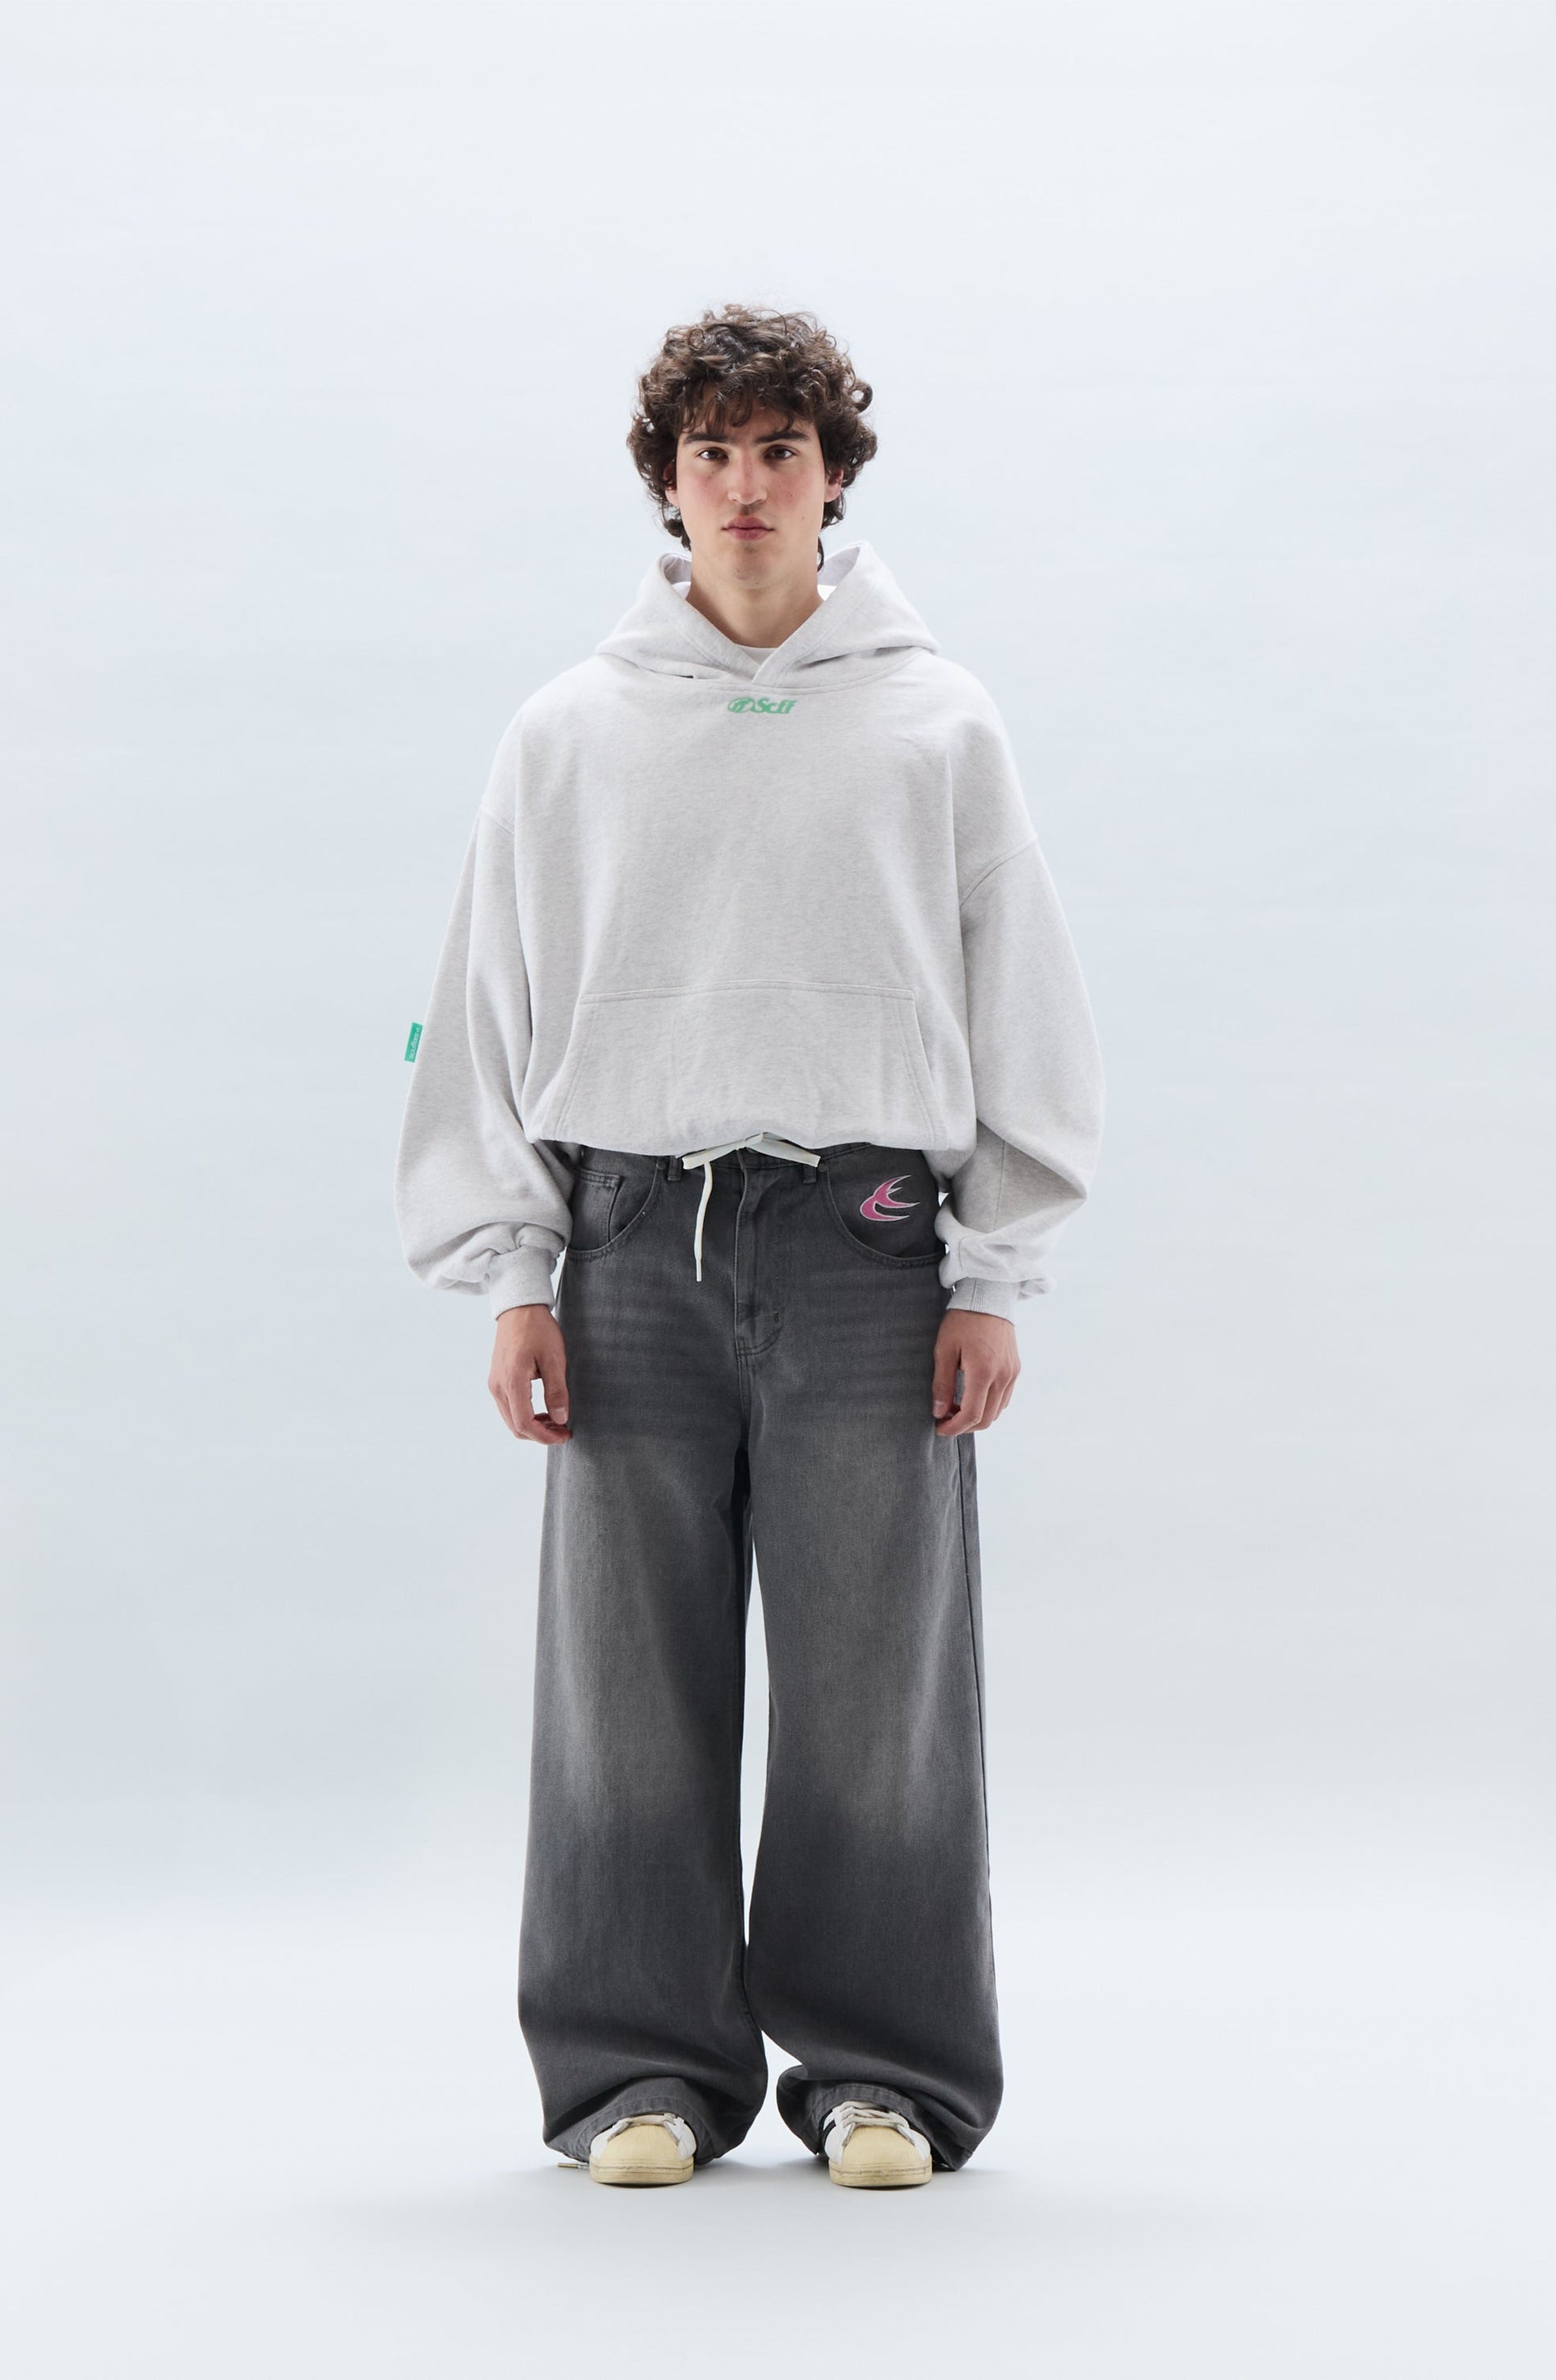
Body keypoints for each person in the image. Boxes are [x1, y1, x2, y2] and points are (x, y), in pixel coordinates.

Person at [394, 303, 1104, 2190]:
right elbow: (486, 1000)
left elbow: (1022, 996)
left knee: (878, 1682)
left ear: (833, 474)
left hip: (866, 1243)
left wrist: (991, 1273)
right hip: (629, 1239)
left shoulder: (935, 721)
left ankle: (884, 2073)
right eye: (708, 452)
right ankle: (637, 2069)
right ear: (667, 482)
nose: (743, 485)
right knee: (623, 1686)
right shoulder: (570, 730)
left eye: (778, 449)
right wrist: (515, 1271)